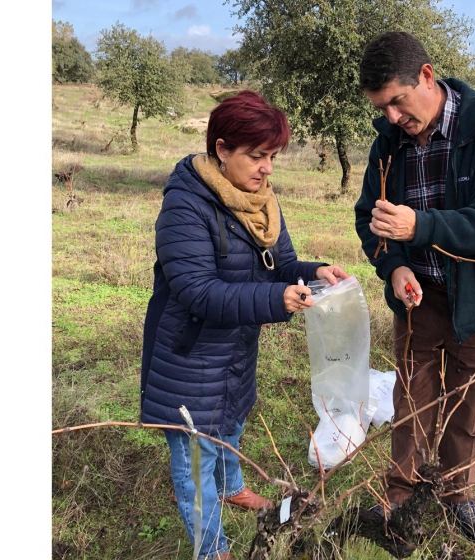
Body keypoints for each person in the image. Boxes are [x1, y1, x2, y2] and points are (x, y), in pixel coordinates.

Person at [140, 90, 349, 560]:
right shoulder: (186, 205)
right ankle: (212, 549)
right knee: (195, 455)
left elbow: (282, 261)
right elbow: (196, 290)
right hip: (190, 353)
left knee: (232, 420)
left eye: (272, 156)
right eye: (256, 156)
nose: (267, 168)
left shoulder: (261, 202)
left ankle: (233, 487)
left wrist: (313, 272)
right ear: (221, 150)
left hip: (235, 345)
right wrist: (276, 299)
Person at [354, 31, 475, 542]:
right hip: (419, 298)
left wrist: (422, 227)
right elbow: (371, 218)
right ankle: (401, 496)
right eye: (381, 107)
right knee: (412, 399)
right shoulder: (388, 145)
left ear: (426, 77)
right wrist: (396, 268)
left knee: (469, 404)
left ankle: (457, 493)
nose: (391, 117)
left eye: (397, 102)